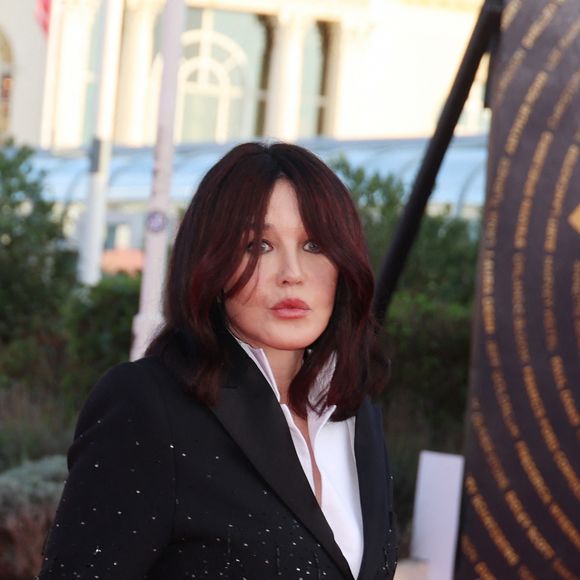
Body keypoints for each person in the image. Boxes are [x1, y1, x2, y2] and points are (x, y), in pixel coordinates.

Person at [39, 142, 398, 580]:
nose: (292, 272)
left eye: (314, 244)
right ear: (211, 261)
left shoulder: (355, 412)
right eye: (259, 245)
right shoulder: (146, 406)